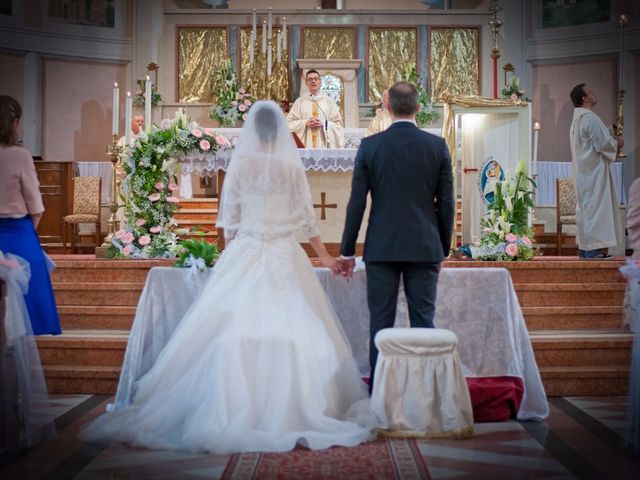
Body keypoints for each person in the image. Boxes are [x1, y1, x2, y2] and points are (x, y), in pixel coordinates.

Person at [80, 101, 373, 454]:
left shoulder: (243, 164)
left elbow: (229, 219)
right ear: (281, 131)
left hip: (247, 250)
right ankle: (303, 409)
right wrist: (324, 256)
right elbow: (306, 219)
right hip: (283, 253)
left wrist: (232, 253)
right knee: (297, 325)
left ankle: (229, 407)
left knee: (230, 326)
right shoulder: (289, 167)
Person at [337, 81, 455, 391]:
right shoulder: (437, 146)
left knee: (381, 324)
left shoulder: (370, 146)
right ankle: (426, 393)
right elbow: (446, 203)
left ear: (386, 107)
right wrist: (443, 247)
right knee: (423, 324)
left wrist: (347, 251)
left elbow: (357, 203)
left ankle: (381, 392)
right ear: (418, 108)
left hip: (381, 247)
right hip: (424, 245)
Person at [0, 95, 61, 336]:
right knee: (32, 277)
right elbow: (36, 205)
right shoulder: (20, 155)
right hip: (18, 231)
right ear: (13, 123)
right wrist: (29, 230)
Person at [569, 83, 623, 259]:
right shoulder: (590, 118)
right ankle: (593, 252)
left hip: (586, 174)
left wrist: (611, 129)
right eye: (591, 92)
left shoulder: (578, 119)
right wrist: (617, 144)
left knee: (588, 212)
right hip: (594, 174)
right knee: (596, 212)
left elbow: (591, 140)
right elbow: (602, 144)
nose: (594, 93)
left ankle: (587, 251)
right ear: (583, 98)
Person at [287, 69, 344, 148]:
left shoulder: (329, 102)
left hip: (323, 145)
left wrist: (323, 124)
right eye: (310, 79)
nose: (313, 81)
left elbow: (338, 124)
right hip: (306, 145)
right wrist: (305, 123)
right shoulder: (300, 102)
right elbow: (289, 124)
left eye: (316, 79)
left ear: (320, 82)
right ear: (306, 83)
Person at [115, 114, 145, 224]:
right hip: (126, 179)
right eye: (137, 121)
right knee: (125, 205)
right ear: (131, 124)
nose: (140, 123)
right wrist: (124, 172)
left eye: (142, 121)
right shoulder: (123, 141)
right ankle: (122, 232)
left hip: (141, 180)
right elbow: (117, 161)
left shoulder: (146, 140)